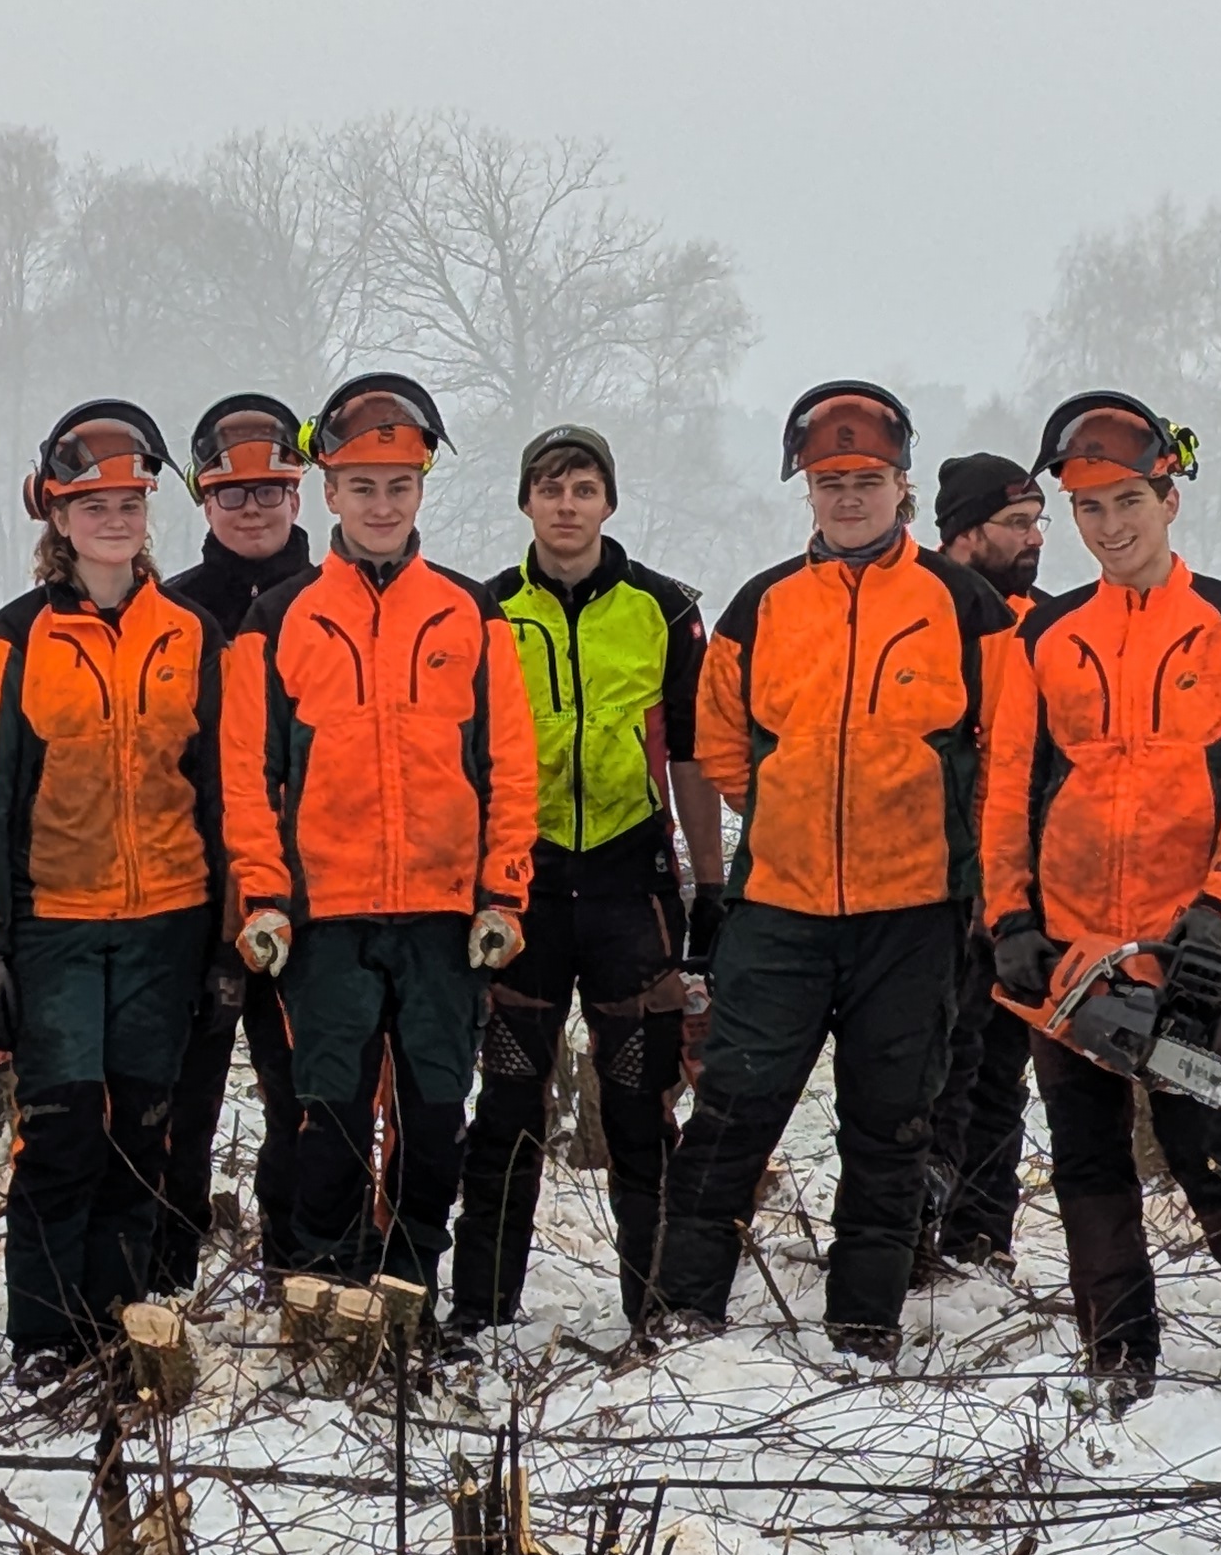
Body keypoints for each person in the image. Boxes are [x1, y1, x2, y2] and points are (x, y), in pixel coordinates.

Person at [643, 386, 1024, 1353]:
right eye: (829, 482)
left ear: (901, 485)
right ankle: (683, 1305)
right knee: (734, 1105)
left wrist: (957, 851)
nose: (848, 497)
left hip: (914, 910)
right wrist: (780, 808)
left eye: (866, 480)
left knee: (891, 1122)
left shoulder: (963, 601)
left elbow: (1006, 748)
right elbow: (723, 744)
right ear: (807, 492)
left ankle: (864, 1319)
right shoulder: (761, 604)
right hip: (782, 903)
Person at [983, 391, 1221, 1397]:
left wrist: (1218, 914)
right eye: (1089, 509)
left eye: (1128, 501)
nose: (1111, 526)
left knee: (1212, 1144)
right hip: (1069, 949)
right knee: (1085, 1161)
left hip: (1179, 938)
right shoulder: (1044, 635)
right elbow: (1007, 786)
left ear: (1169, 498)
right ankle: (1118, 1352)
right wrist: (1008, 920)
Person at [221, 373, 539, 1287]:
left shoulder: (469, 612)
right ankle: (326, 1290)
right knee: (328, 1114)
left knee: (437, 1115)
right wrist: (265, 896)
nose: (382, 504)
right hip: (326, 918)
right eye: (362, 486)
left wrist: (502, 894)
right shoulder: (279, 617)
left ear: (422, 490)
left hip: (445, 917)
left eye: (399, 486)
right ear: (329, 492)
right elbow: (250, 773)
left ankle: (407, 1289)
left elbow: (509, 768)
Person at [0, 401, 230, 1381]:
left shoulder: (191, 633)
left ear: (151, 514)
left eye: (129, 502)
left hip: (169, 921)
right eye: (92, 504)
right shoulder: (15, 639)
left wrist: (232, 927)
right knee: (61, 1134)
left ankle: (116, 1323)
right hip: (57, 924)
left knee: (142, 1133)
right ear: (57, 519)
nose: (114, 518)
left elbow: (222, 790)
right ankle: (41, 1335)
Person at [448, 424, 722, 1338]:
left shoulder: (662, 609)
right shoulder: (483, 612)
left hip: (627, 884)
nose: (567, 506)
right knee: (510, 1104)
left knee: (640, 1103)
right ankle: (483, 1312)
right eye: (551, 488)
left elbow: (687, 754)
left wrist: (708, 884)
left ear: (610, 502)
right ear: (525, 502)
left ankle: (660, 1306)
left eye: (585, 489)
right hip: (522, 887)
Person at [155, 394, 311, 1289]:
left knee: (303, 1093)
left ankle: (299, 1263)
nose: (252, 510)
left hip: (313, 888)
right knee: (186, 1094)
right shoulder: (173, 611)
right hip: (198, 890)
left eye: (268, 492)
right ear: (204, 500)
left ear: (297, 494)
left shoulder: (333, 603)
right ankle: (168, 1264)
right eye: (232, 494)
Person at [922, 453, 1053, 1275]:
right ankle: (909, 1226)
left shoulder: (1041, 624)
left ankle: (981, 1232)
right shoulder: (925, 610)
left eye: (1038, 521)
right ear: (965, 534)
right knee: (932, 1070)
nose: (1036, 538)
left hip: (1018, 887)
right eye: (1018, 524)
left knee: (1001, 1068)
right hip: (929, 883)